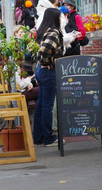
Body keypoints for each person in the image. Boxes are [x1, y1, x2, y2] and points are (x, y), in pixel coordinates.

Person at [32, 8, 64, 146]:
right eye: (60, 17)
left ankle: (38, 137)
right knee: (47, 107)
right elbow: (44, 51)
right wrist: (46, 62)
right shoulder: (54, 32)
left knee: (41, 105)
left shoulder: (44, 30)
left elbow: (37, 51)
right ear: (55, 18)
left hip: (41, 70)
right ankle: (48, 137)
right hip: (48, 71)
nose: (61, 19)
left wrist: (40, 61)